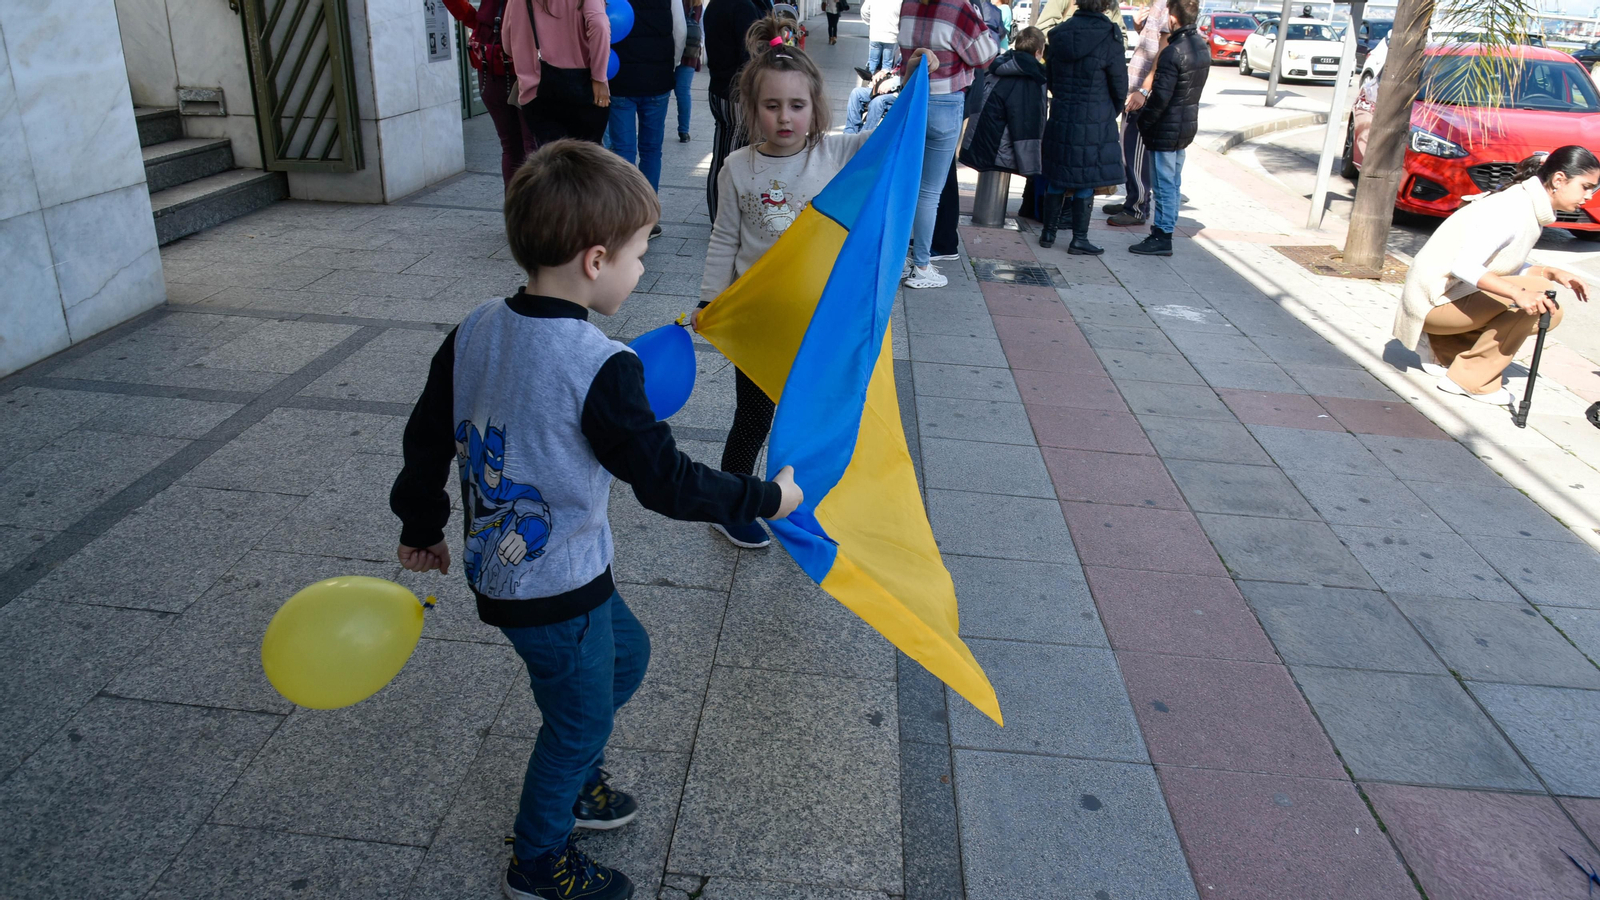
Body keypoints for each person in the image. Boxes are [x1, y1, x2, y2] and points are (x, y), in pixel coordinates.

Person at [390, 140, 801, 900]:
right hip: (554, 584)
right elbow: (668, 484)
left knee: (626, 660)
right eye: (641, 254)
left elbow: (424, 434)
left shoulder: (477, 324)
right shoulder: (599, 365)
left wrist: (422, 522)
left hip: (516, 569)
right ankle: (539, 863)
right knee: (576, 721)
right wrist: (764, 499)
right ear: (595, 259)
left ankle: (574, 767)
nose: (642, 270)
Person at [694, 18, 899, 546]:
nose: (784, 117)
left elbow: (895, 140)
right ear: (751, 108)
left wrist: (916, 78)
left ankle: (798, 506)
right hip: (762, 324)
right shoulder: (737, 168)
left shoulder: (834, 153)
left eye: (797, 105)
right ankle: (735, 504)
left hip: (819, 324)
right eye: (771, 105)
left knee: (812, 422)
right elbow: (724, 240)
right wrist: (709, 300)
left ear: (815, 109)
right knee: (752, 420)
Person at [1395, 147, 1595, 406]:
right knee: (1540, 299)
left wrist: (1550, 272)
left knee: (1543, 297)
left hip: (1445, 298)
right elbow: (1464, 267)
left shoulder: (1525, 203)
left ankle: (1443, 346)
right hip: (1431, 304)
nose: (1589, 196)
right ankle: (1470, 379)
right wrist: (1519, 293)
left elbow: (1501, 267)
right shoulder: (1512, 209)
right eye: (1585, 186)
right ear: (1558, 180)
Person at [899, 0, 1000, 288]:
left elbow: (905, 51)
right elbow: (986, 55)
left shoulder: (908, 3)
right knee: (930, 191)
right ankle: (921, 266)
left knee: (909, 184)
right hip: (945, 100)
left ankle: (899, 257)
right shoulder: (958, 7)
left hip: (912, 98)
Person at [1038, 0, 1126, 253]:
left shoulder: (1059, 34)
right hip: (1095, 114)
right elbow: (1119, 82)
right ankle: (1079, 239)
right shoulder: (1110, 35)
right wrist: (1111, 109)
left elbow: (1050, 77)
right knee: (1086, 177)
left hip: (1063, 111)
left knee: (1058, 173)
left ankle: (1048, 234)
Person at [1129, 0, 1207, 256]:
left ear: (1172, 18)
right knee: (1172, 183)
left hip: (1166, 127)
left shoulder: (1173, 52)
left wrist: (1144, 122)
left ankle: (1162, 235)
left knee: (1164, 185)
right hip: (1184, 125)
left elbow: (1161, 97)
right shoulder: (1200, 46)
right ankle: (1165, 230)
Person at [441, 0, 537, 184]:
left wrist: (479, 22)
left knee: (511, 147)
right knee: (534, 146)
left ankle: (515, 210)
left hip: (492, 64)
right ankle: (535, 210)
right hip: (530, 63)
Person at [609, 0, 687, 226]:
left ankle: (624, 217)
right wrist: (671, 63)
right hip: (657, 81)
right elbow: (680, 31)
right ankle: (648, 219)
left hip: (620, 79)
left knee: (623, 150)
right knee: (651, 150)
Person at [503, 0, 613, 146]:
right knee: (587, 162)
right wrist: (599, 78)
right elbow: (600, 26)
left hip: (536, 91)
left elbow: (508, 46)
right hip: (584, 89)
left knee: (553, 162)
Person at [702, 0, 772, 219]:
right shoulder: (742, 6)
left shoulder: (716, 4)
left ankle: (719, 215)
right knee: (731, 161)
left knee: (722, 155)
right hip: (737, 94)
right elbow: (751, 55)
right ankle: (723, 219)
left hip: (719, 89)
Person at [1107, 0, 1169, 226]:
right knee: (1127, 150)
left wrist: (1144, 89)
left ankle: (1137, 207)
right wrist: (1139, 27)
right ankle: (1131, 200)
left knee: (1137, 154)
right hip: (1135, 89)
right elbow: (1153, 43)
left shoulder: (1167, 5)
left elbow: (1163, 50)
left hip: (1142, 93)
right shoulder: (1158, 4)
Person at [959, 26, 1047, 183]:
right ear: (1038, 52)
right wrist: (1031, 166)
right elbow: (1026, 123)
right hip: (999, 153)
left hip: (978, 145)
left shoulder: (997, 67)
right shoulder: (1029, 78)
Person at [675, 0, 704, 142]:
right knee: (683, 92)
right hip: (690, 54)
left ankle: (657, 128)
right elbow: (701, 31)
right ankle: (684, 131)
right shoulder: (697, 4)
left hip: (669, 52)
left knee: (660, 95)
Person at [845, 64, 902, 132]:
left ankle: (863, 136)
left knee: (878, 102)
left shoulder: (914, 58)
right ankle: (850, 133)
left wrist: (894, 83)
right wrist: (884, 72)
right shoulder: (902, 57)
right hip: (890, 88)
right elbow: (896, 69)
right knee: (856, 93)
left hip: (901, 94)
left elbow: (911, 78)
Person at [859, 0, 902, 75]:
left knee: (873, 61)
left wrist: (870, 22)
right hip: (891, 35)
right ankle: (883, 81)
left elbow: (864, 11)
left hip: (876, 33)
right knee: (887, 64)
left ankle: (870, 81)